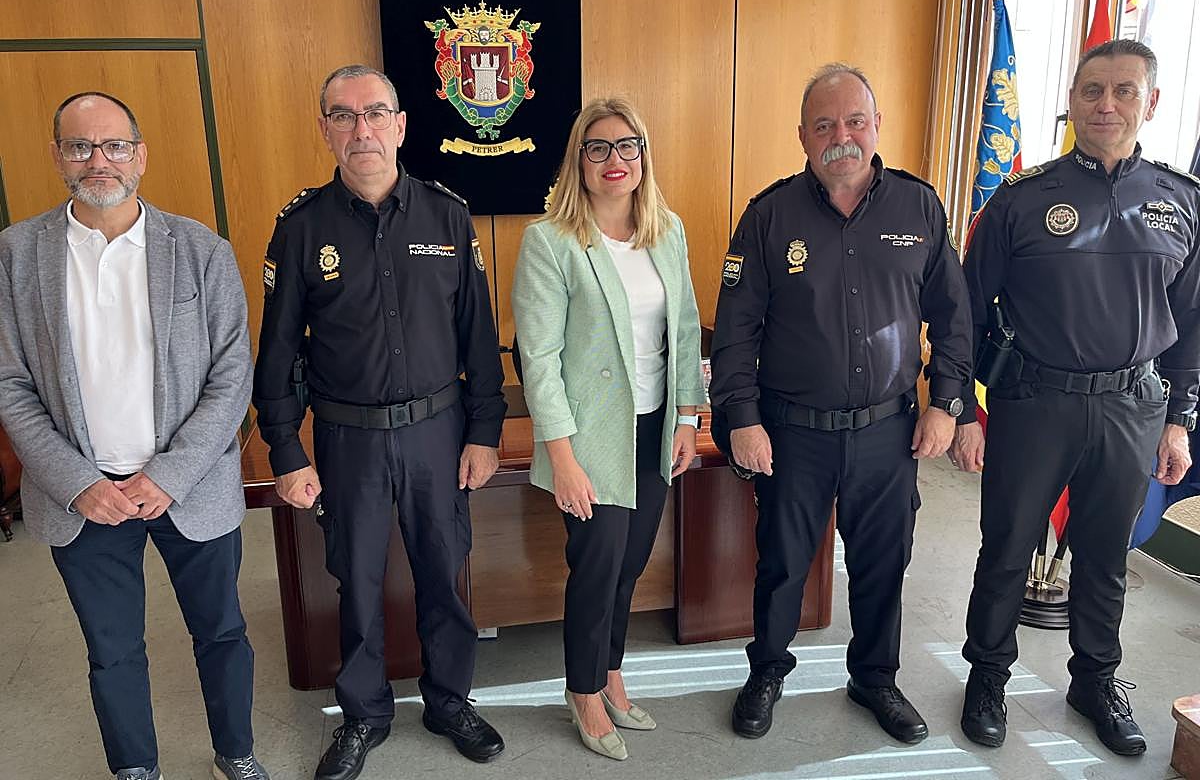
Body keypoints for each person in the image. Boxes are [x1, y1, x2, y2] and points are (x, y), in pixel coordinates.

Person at [0, 92, 267, 780]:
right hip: (81, 498)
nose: (99, 160)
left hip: (189, 487)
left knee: (222, 634)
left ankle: (236, 754)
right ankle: (134, 768)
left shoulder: (201, 250)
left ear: (140, 156)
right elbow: (10, 384)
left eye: (114, 145)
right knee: (112, 647)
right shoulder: (15, 254)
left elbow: (233, 374)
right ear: (58, 155)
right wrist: (80, 482)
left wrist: (169, 475)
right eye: (81, 146)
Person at [252, 65, 507, 778]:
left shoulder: (448, 214)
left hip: (438, 431)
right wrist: (284, 449)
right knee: (357, 582)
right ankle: (364, 716)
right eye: (342, 116)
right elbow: (276, 351)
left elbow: (478, 337)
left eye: (374, 114)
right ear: (326, 129)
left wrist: (485, 432)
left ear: (399, 124)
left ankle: (449, 699)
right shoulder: (302, 228)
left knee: (442, 571)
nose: (360, 129)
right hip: (347, 438)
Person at [710, 64, 973, 744]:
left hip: (889, 430)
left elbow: (953, 315)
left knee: (885, 559)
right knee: (783, 562)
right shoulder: (770, 216)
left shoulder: (918, 207)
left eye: (854, 121)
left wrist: (947, 402)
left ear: (876, 125)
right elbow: (735, 329)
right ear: (802, 136)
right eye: (824, 125)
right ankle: (768, 669)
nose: (841, 137)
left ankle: (875, 677)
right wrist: (740, 416)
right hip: (793, 432)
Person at [952, 39, 1200, 757]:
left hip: (1133, 407)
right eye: (1092, 90)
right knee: (1005, 551)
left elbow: (1190, 328)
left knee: (1103, 557)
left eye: (1124, 91)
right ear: (1072, 99)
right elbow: (967, 309)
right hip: (1035, 403)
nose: (1106, 105)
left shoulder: (1181, 203)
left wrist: (1179, 421)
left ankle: (1095, 681)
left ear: (1150, 103)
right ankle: (988, 677)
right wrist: (965, 409)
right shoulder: (1023, 198)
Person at [511, 98, 705, 761]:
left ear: (643, 156)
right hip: (590, 437)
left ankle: (612, 669)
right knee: (596, 568)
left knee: (629, 564)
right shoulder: (551, 240)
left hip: (653, 430)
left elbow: (683, 328)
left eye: (628, 146)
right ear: (579, 162)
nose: (614, 160)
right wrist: (561, 458)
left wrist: (687, 418)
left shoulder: (667, 231)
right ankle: (584, 691)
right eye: (598, 148)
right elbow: (536, 360)